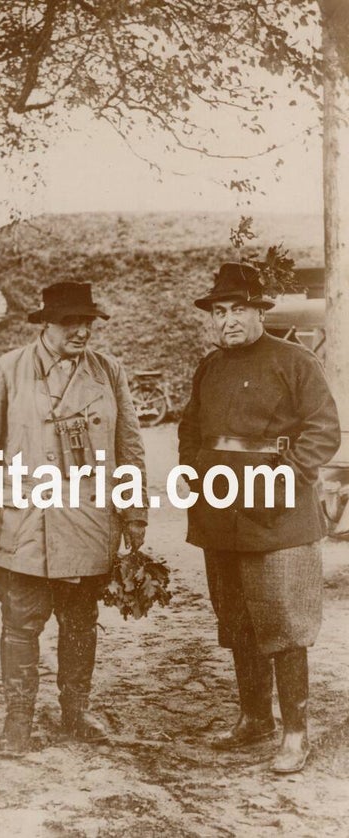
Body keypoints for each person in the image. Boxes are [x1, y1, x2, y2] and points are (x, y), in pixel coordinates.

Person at [0, 281, 148, 757]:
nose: (81, 330)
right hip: (26, 522)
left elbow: (129, 447)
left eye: (88, 322)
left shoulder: (109, 372)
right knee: (21, 622)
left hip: (89, 521)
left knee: (80, 621)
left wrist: (133, 512)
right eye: (70, 321)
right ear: (45, 323)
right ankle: (17, 722)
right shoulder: (6, 370)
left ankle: (76, 713)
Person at [178, 262, 341, 774]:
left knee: (284, 623)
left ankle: (296, 734)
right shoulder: (209, 367)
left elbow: (323, 432)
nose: (227, 321)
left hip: (278, 515)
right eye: (219, 312)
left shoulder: (295, 361)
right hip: (221, 511)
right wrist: (194, 473)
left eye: (238, 310)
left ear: (258, 312)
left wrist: (284, 477)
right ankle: (255, 720)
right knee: (238, 621)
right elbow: (190, 428)